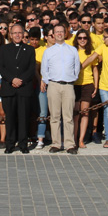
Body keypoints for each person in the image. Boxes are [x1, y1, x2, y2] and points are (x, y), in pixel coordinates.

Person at [40, 24, 81, 154]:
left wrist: (72, 77)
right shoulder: (48, 51)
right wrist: (48, 81)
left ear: (65, 33)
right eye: (56, 32)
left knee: (68, 116)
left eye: (61, 32)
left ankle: (69, 144)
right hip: (54, 85)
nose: (59, 34)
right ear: (53, 34)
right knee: (54, 116)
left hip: (68, 85)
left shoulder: (72, 50)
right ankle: (56, 143)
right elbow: (44, 69)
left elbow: (77, 67)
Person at [0, 23, 37, 154]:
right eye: (15, 33)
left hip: (24, 88)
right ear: (10, 35)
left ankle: (23, 144)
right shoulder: (4, 49)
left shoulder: (30, 49)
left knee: (23, 117)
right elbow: (1, 67)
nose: (17, 35)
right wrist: (12, 79)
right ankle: (10, 144)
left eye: (19, 33)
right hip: (9, 88)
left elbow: (31, 69)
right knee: (10, 118)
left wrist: (21, 80)